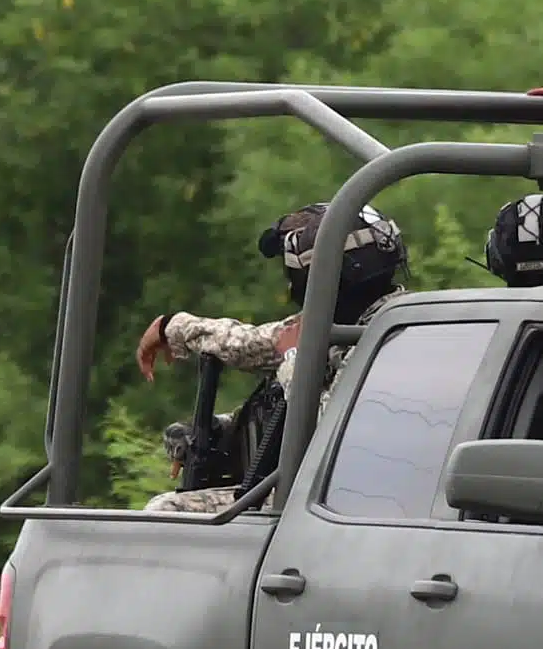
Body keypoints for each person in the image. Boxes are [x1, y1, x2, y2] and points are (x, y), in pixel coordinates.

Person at [133, 204, 407, 513]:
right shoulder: (353, 323)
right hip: (314, 499)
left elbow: (329, 434)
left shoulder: (385, 342)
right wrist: (172, 327)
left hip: (333, 504)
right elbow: (249, 344)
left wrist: (293, 359)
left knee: (167, 511)